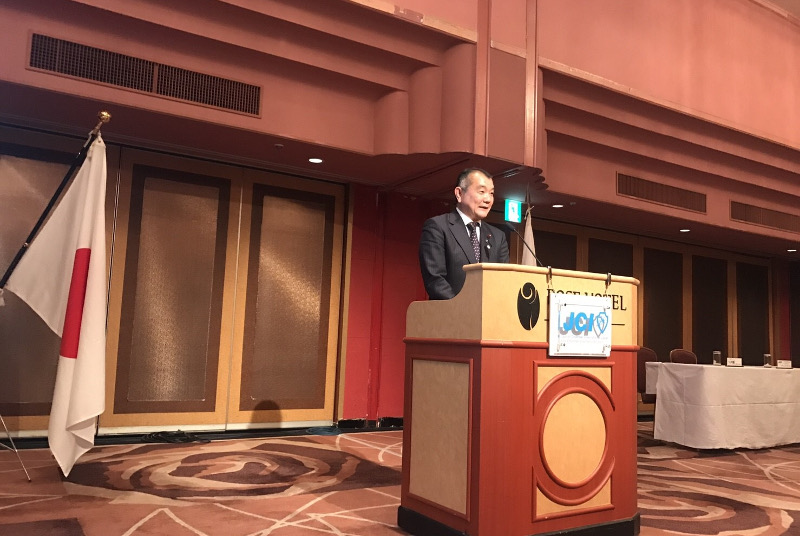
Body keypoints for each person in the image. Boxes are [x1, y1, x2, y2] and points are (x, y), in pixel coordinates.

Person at [419, 168, 509, 300]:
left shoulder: (498, 237)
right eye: (482, 192)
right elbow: (435, 279)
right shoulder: (438, 227)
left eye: (491, 193)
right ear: (459, 193)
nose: (488, 199)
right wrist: (462, 308)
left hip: (488, 311)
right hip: (450, 311)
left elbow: (503, 281)